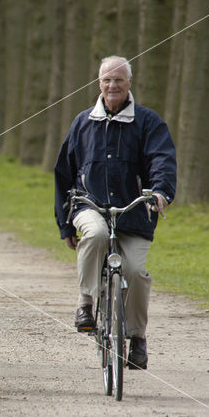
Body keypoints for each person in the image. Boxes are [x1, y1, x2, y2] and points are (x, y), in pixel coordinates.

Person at [54, 56, 177, 370]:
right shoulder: (83, 122)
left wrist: (160, 191)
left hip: (134, 212)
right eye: (106, 80)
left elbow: (162, 160)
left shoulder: (148, 122)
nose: (112, 86)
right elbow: (63, 174)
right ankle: (85, 301)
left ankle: (136, 338)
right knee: (93, 234)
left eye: (118, 80)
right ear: (98, 83)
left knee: (135, 272)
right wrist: (64, 224)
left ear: (129, 83)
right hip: (89, 205)